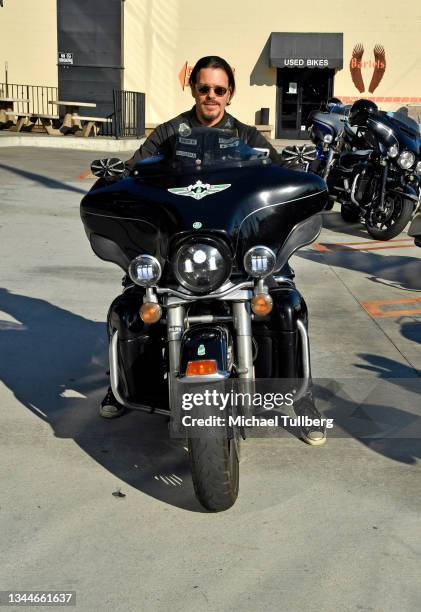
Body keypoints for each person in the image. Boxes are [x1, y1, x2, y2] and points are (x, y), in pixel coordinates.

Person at [100, 55, 326, 446]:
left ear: (230, 93)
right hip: (179, 249)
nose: (211, 96)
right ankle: (120, 383)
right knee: (132, 298)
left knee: (287, 302)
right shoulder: (170, 133)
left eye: (219, 90)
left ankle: (301, 396)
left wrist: (297, 181)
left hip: (236, 247)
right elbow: (135, 172)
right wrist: (117, 180)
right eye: (204, 88)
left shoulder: (246, 136)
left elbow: (276, 174)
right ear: (193, 90)